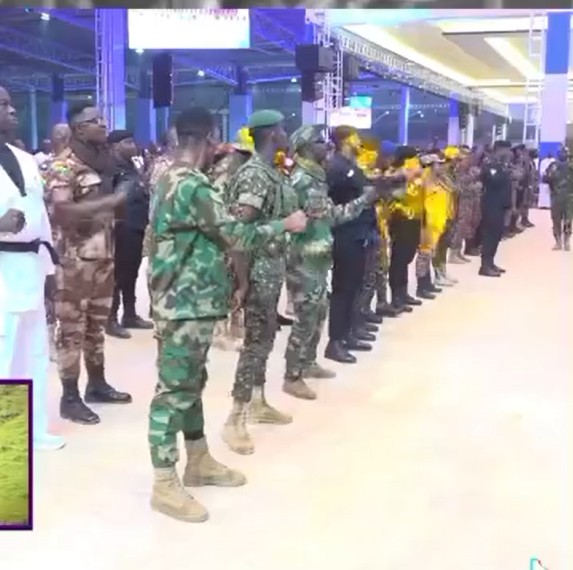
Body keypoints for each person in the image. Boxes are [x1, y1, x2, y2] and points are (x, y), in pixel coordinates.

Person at [147, 107, 307, 522]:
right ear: (209, 138)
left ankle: (198, 459)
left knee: (190, 383)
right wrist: (284, 225)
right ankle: (164, 482)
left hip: (190, 299)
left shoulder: (172, 176)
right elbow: (235, 234)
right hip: (184, 303)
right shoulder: (190, 184)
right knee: (173, 392)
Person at [44, 101, 132, 425]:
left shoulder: (103, 161)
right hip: (74, 262)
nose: (104, 124)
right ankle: (70, 397)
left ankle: (97, 384)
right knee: (71, 330)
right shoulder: (63, 165)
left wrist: (118, 203)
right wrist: (111, 201)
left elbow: (112, 212)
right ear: (80, 129)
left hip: (103, 257)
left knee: (96, 325)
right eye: (96, 121)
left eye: (103, 119)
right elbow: (62, 212)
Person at [222, 110, 297, 456]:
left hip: (270, 266)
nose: (286, 133)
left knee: (265, 335)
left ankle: (257, 400)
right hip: (255, 269)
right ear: (271, 134)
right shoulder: (254, 175)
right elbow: (239, 233)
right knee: (254, 342)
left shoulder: (270, 170)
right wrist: (241, 282)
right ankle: (235, 418)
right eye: (282, 128)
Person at [0, 85, 64, 451]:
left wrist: (50, 270)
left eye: (11, 103)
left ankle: (33, 429)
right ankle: (7, 437)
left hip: (31, 264)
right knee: (4, 354)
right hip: (2, 269)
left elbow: (41, 217)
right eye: (2, 105)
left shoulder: (25, 159)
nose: (12, 111)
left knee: (34, 353)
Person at [325, 126, 376, 361]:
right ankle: (335, 342)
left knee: (354, 286)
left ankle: (347, 333)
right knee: (342, 289)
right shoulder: (336, 166)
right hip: (344, 233)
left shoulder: (351, 165)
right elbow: (332, 201)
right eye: (355, 136)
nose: (359, 140)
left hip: (359, 232)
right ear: (345, 140)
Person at [105, 130, 152, 339]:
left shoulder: (131, 166)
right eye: (127, 142)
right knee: (117, 274)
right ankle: (111, 319)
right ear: (115, 146)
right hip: (121, 227)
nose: (133, 146)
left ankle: (130, 314)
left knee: (131, 272)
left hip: (136, 225)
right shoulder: (111, 168)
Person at [40, 122, 71, 361]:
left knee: (64, 292)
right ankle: (50, 339)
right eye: (62, 136)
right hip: (51, 241)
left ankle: (59, 338)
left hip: (69, 241)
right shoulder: (47, 168)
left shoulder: (77, 166)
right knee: (50, 292)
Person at [479, 139, 513, 277]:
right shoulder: (490, 163)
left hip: (500, 205)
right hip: (491, 205)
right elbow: (493, 180)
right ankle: (484, 266)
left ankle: (491, 262)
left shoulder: (502, 165)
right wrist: (505, 172)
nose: (509, 153)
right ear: (499, 150)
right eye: (506, 150)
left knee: (497, 235)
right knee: (490, 235)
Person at [543, 146, 573, 251]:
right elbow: (545, 178)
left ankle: (567, 241)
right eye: (561, 152)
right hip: (556, 196)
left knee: (568, 220)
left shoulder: (571, 166)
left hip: (569, 197)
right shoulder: (553, 166)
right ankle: (558, 242)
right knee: (556, 220)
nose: (563, 154)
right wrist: (550, 175)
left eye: (565, 153)